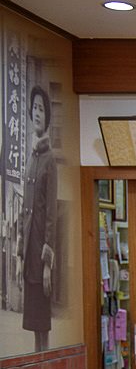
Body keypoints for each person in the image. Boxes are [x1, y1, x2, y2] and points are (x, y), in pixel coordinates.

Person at [17, 85, 57, 352]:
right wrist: (20, 255)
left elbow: (51, 212)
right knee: (33, 322)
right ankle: (36, 361)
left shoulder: (50, 160)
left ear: (47, 116)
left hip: (41, 254)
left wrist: (47, 264)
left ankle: (44, 365)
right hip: (29, 251)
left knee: (43, 322)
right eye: (35, 108)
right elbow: (24, 210)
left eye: (42, 109)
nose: (37, 113)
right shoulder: (30, 160)